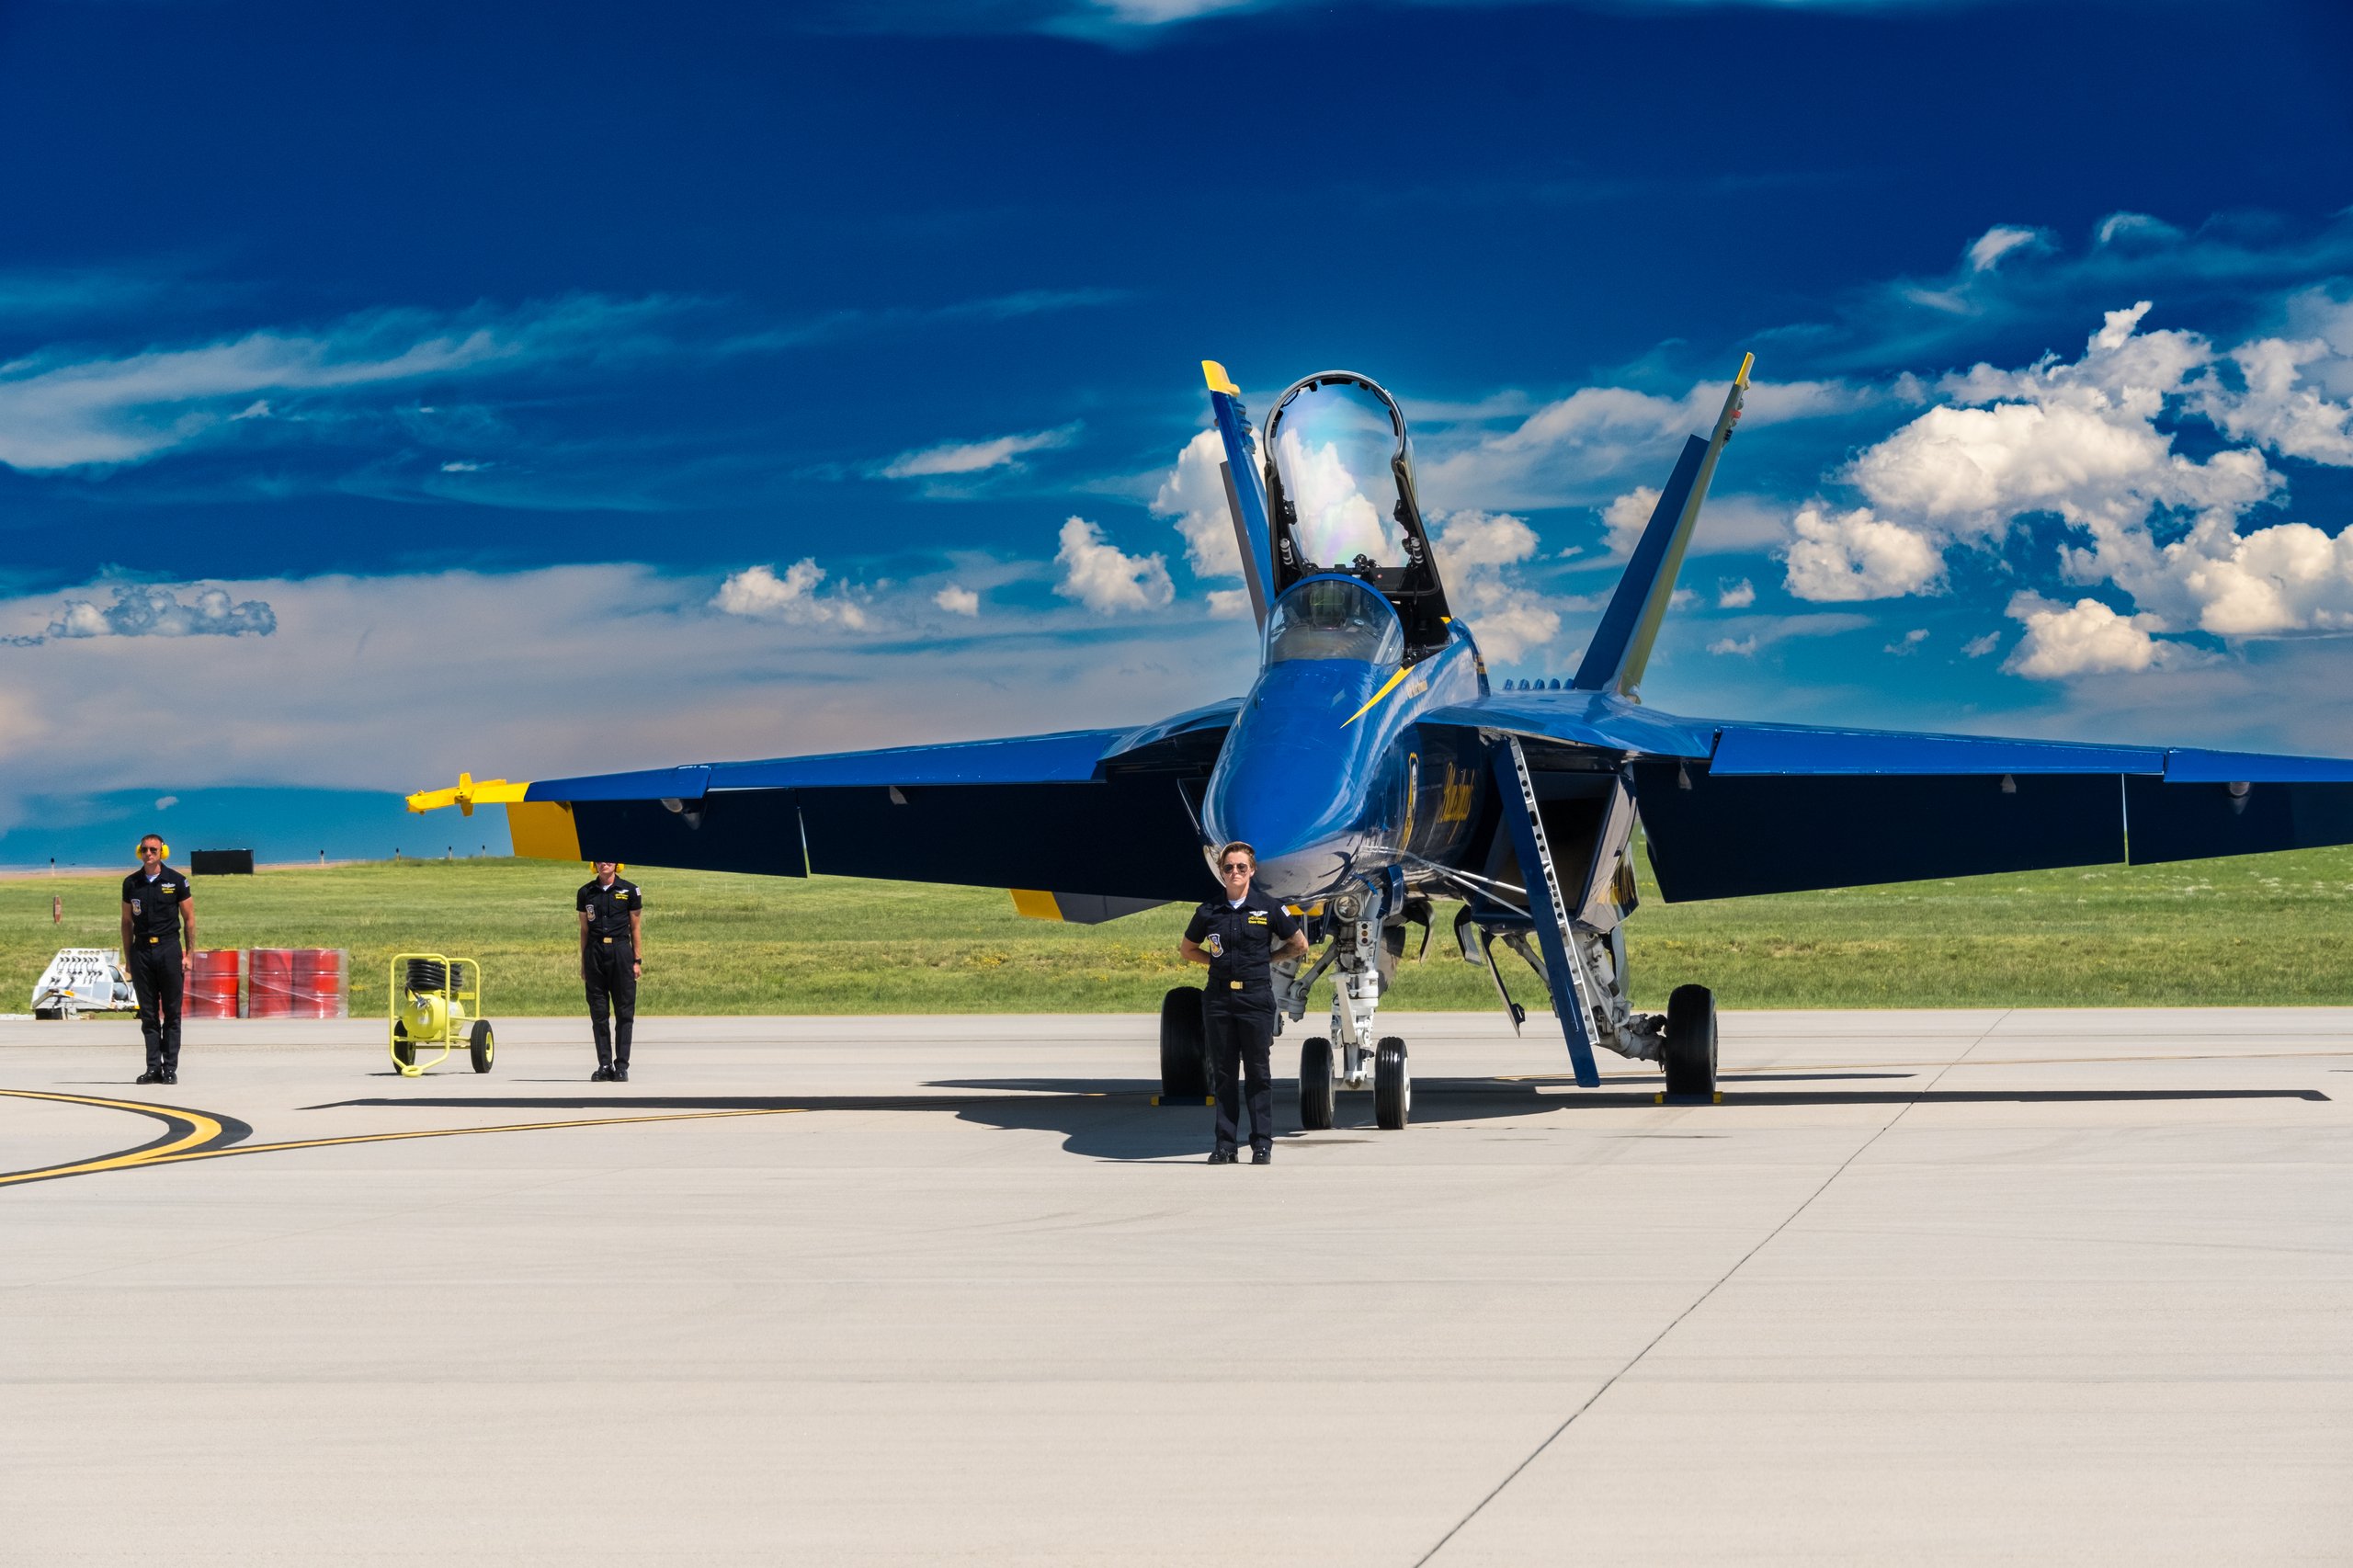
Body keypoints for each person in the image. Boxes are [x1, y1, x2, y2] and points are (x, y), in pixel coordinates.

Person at [1180, 841, 1308, 1165]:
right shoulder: (1208, 911)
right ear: (1221, 872)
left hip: (1255, 997)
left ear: (1251, 870)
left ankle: (1262, 1143)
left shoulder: (1268, 908)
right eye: (1228, 868)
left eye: (1240, 867)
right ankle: (1225, 1146)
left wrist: (1269, 958)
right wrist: (1217, 964)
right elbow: (1188, 949)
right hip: (1220, 998)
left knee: (1258, 1072)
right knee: (1224, 1073)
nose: (1234, 873)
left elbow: (1299, 943)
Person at [119, 835, 195, 1085]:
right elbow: (127, 922)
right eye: (144, 849)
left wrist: (190, 954)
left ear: (163, 852)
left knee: (172, 1013)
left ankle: (170, 1068)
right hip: (142, 951)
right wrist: (128, 956)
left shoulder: (176, 881)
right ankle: (153, 1068)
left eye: (153, 849)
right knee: (149, 1015)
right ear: (138, 852)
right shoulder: (131, 883)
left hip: (169, 950)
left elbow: (189, 920)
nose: (148, 853)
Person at [577, 860, 643, 1082]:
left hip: (621, 951)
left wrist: (637, 960)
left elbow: (635, 927)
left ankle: (622, 1065)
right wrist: (584, 962)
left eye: (610, 859)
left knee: (624, 1011)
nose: (605, 863)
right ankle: (604, 1064)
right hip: (595, 952)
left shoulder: (630, 890)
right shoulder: (586, 892)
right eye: (600, 859)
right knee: (599, 1012)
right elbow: (584, 930)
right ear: (594, 864)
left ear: (618, 864)